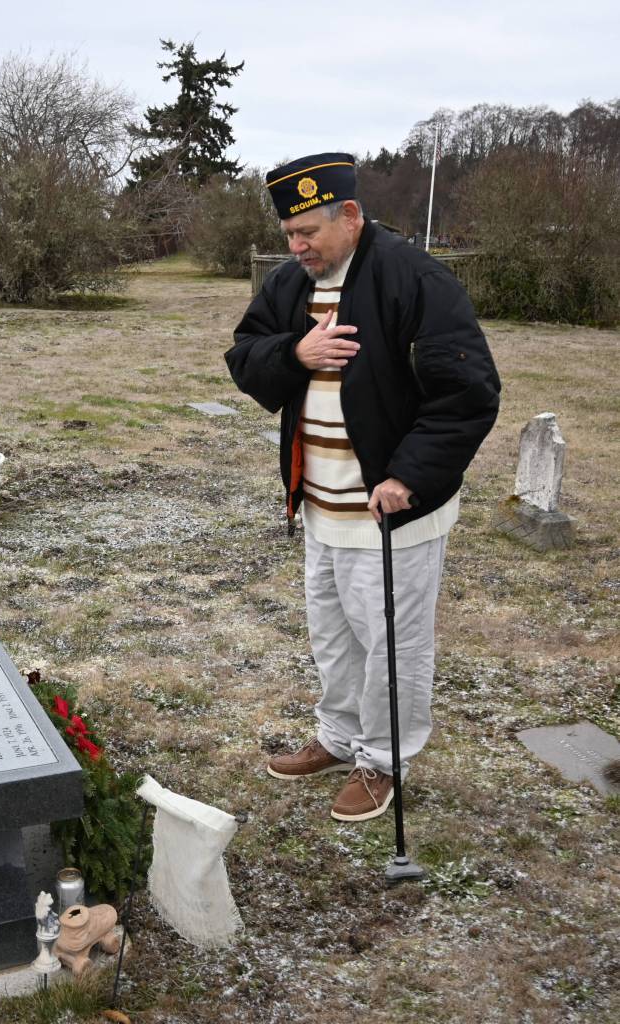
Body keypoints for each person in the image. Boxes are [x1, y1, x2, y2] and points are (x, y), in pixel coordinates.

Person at [225, 153, 500, 821]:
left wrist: (408, 475)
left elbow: (468, 393)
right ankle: (339, 736)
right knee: (333, 634)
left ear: (350, 216)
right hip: (321, 503)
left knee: (392, 645)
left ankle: (382, 761)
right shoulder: (294, 283)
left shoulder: (415, 280)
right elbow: (243, 353)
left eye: (307, 233)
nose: (296, 248)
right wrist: (296, 353)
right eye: (289, 234)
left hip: (389, 511)